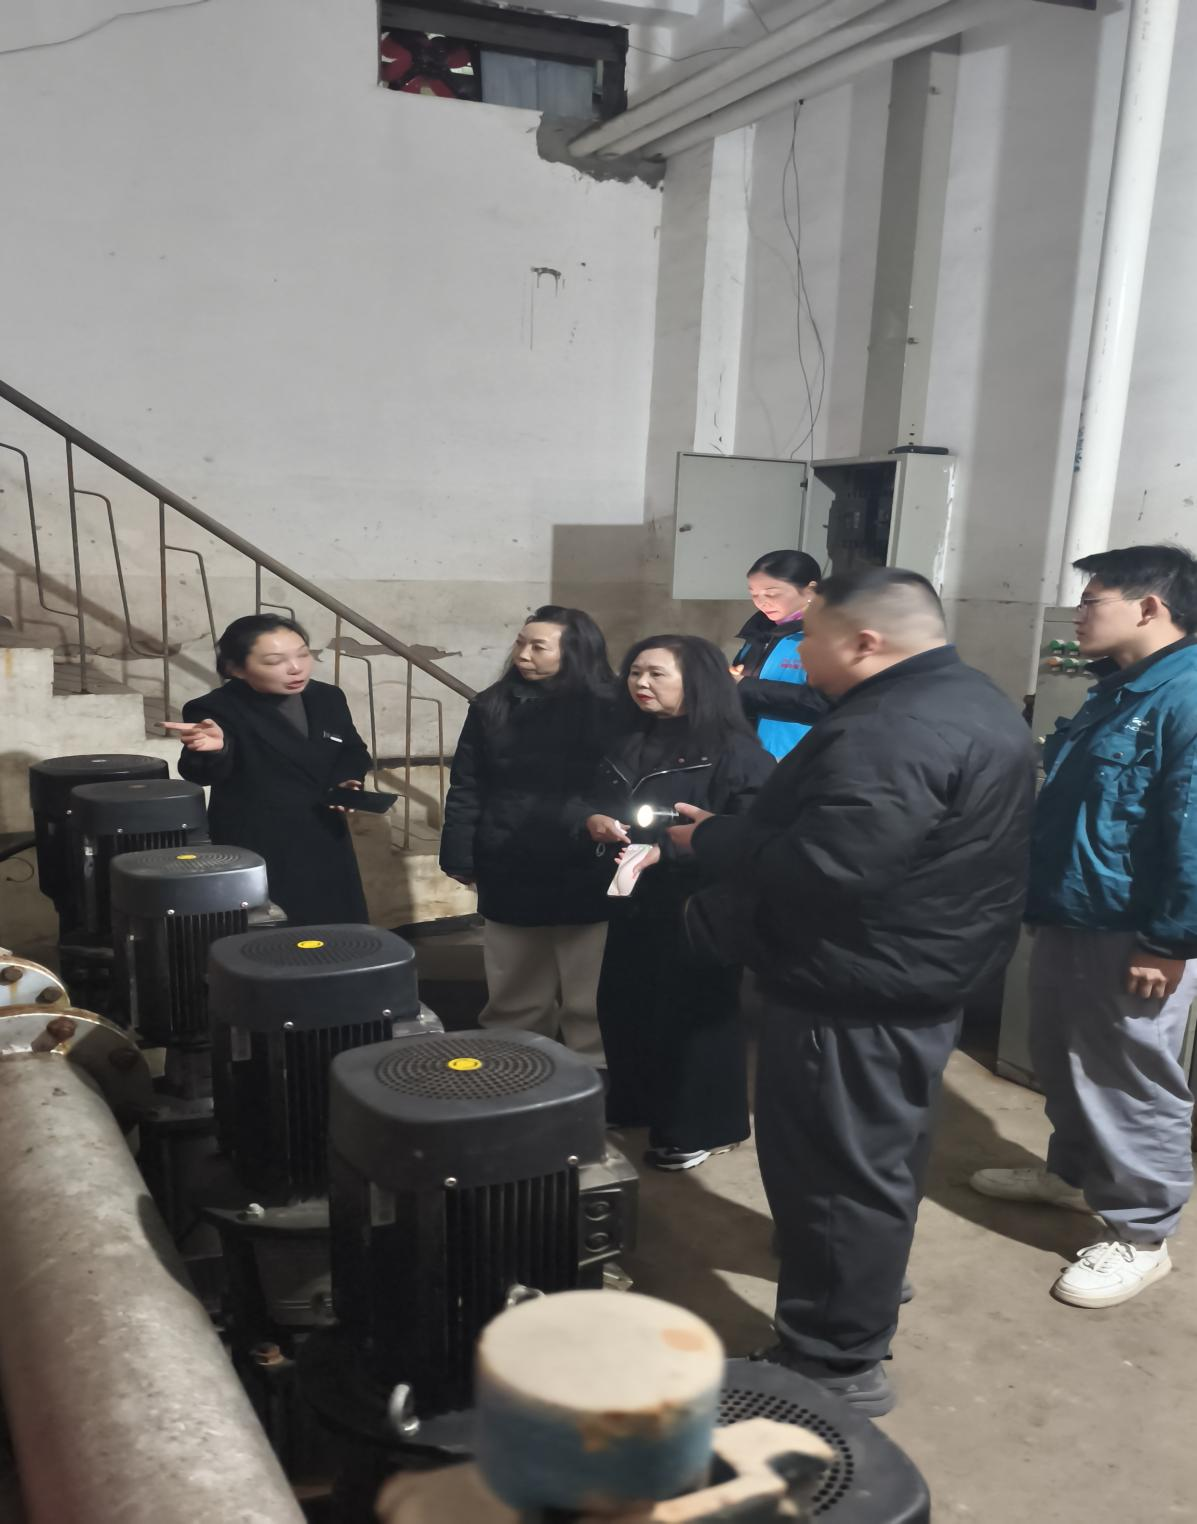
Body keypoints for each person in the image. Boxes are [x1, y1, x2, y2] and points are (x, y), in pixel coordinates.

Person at [670, 569, 1034, 1414]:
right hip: (912, 970)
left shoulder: (892, 728)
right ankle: (862, 1283)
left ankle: (833, 1361)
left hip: (853, 983)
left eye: (811, 636)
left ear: (865, 641)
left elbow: (828, 864)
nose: (799, 653)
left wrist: (711, 841)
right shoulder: (967, 698)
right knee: (875, 1156)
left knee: (831, 1172)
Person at [971, 545, 1197, 1309]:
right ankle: (1071, 1175)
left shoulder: (1185, 696)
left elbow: (1192, 831)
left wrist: (1169, 941)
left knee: (1130, 1076)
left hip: (1135, 931)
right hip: (1075, 909)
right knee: (1063, 1055)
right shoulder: (1119, 690)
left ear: (1149, 607)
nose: (1077, 613)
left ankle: (1141, 1233)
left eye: (1092, 599)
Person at [583, 635, 773, 1171]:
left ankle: (706, 1126)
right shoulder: (629, 738)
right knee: (627, 1004)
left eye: (656, 674)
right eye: (634, 672)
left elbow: (754, 835)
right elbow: (595, 798)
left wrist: (669, 850)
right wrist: (592, 820)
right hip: (635, 897)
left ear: (698, 683)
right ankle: (636, 1103)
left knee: (694, 1016)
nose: (640, 683)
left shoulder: (738, 754)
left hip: (699, 905)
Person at [439, 608, 616, 1065]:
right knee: (515, 980)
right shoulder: (492, 704)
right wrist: (458, 852)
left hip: (586, 858)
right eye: (520, 643)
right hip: (510, 851)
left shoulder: (613, 706)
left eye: (538, 646)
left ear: (576, 652)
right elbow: (468, 784)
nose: (523, 654)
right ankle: (513, 1061)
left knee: (588, 981)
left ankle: (593, 1065)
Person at [165, 614, 371, 925]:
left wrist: (347, 780)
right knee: (275, 936)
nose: (296, 668)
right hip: (260, 842)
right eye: (275, 661)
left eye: (303, 654)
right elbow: (200, 773)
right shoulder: (215, 708)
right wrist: (219, 748)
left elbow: (352, 750)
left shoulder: (327, 697)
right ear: (235, 668)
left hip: (326, 833)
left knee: (337, 927)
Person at [731, 549, 828, 759]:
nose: (761, 602)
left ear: (810, 590)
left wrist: (744, 686)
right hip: (751, 756)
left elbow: (824, 703)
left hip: (798, 758)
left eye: (772, 593)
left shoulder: (827, 635)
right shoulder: (759, 632)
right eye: (753, 594)